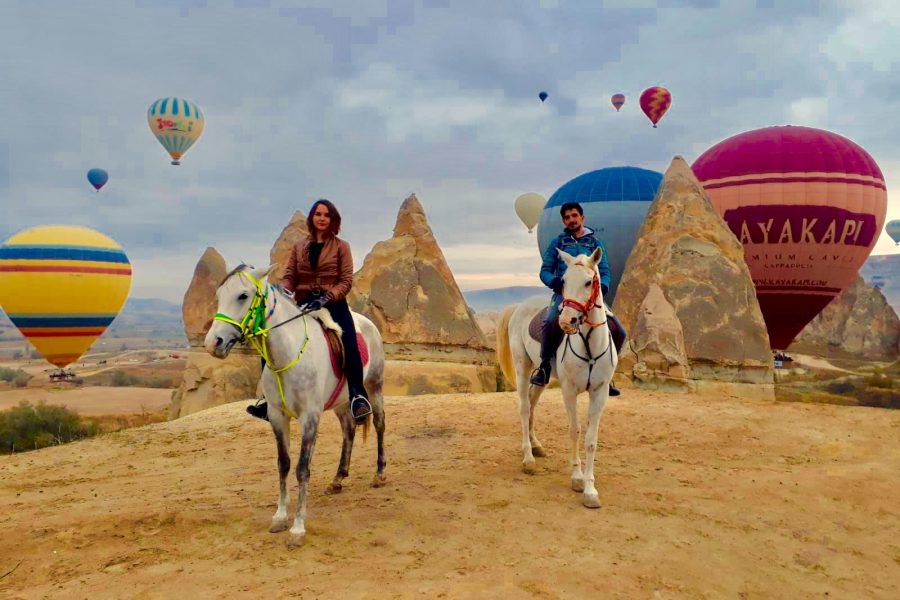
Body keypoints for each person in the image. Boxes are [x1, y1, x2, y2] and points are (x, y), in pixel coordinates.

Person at [247, 199, 373, 423]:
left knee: (349, 342)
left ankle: (357, 395)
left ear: (332, 220)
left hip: (333, 304)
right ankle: (269, 401)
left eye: (326, 215)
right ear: (312, 218)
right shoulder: (299, 247)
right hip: (304, 304)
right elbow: (290, 277)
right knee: (270, 339)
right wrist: (285, 291)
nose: (322, 218)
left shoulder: (342, 247)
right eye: (318, 214)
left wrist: (327, 296)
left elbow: (345, 281)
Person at [530, 201, 626, 395]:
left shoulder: (595, 244)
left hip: (589, 294)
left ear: (582, 218)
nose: (571, 220)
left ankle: (607, 375)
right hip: (565, 295)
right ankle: (544, 368)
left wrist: (604, 286)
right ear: (563, 221)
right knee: (549, 323)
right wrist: (554, 281)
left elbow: (604, 270)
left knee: (619, 330)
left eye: (574, 216)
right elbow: (545, 270)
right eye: (567, 217)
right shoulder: (557, 243)